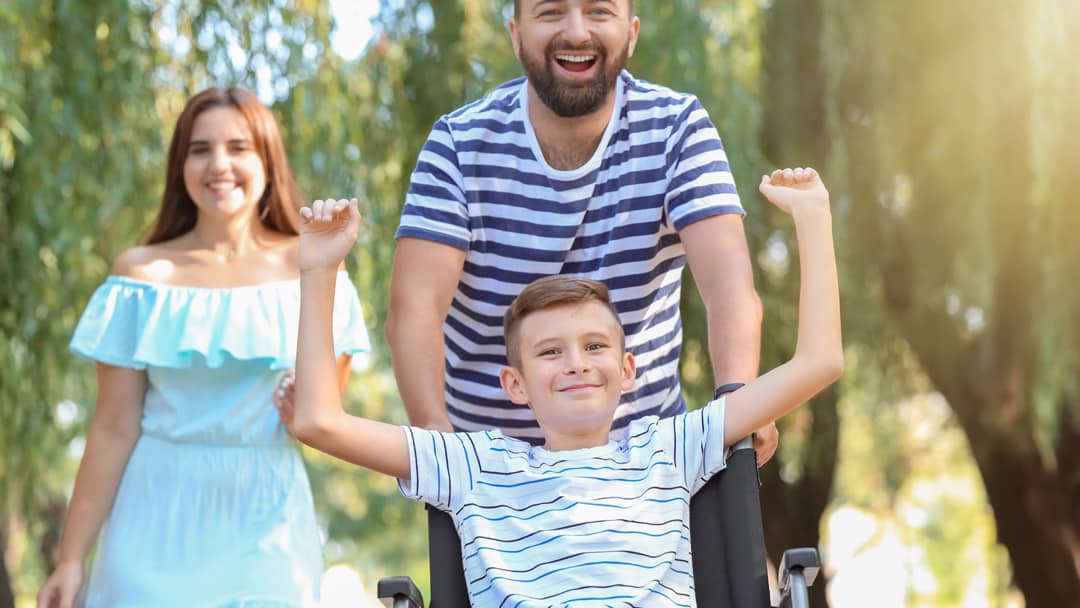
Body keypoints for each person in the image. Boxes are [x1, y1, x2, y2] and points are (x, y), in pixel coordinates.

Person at [283, 166, 840, 606]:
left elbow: (818, 362)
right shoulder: (475, 466)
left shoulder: (667, 450)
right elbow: (318, 421)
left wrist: (814, 218)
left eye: (595, 347)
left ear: (627, 370)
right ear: (515, 385)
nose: (576, 363)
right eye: (551, 352)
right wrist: (319, 270)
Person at [383, 0, 778, 463]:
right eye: (551, 12)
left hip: (646, 466)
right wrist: (435, 435)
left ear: (631, 33)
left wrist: (738, 394)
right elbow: (415, 311)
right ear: (515, 34)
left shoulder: (676, 129)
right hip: (492, 475)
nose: (575, 32)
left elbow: (729, 288)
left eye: (598, 11)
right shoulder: (458, 145)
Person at [36, 86, 370, 608]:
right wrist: (71, 560)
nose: (219, 164)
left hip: (269, 523)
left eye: (239, 147)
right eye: (199, 149)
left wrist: (300, 405)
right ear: (180, 164)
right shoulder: (140, 274)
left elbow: (325, 417)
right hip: (151, 521)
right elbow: (112, 426)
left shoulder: (314, 262)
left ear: (267, 160)